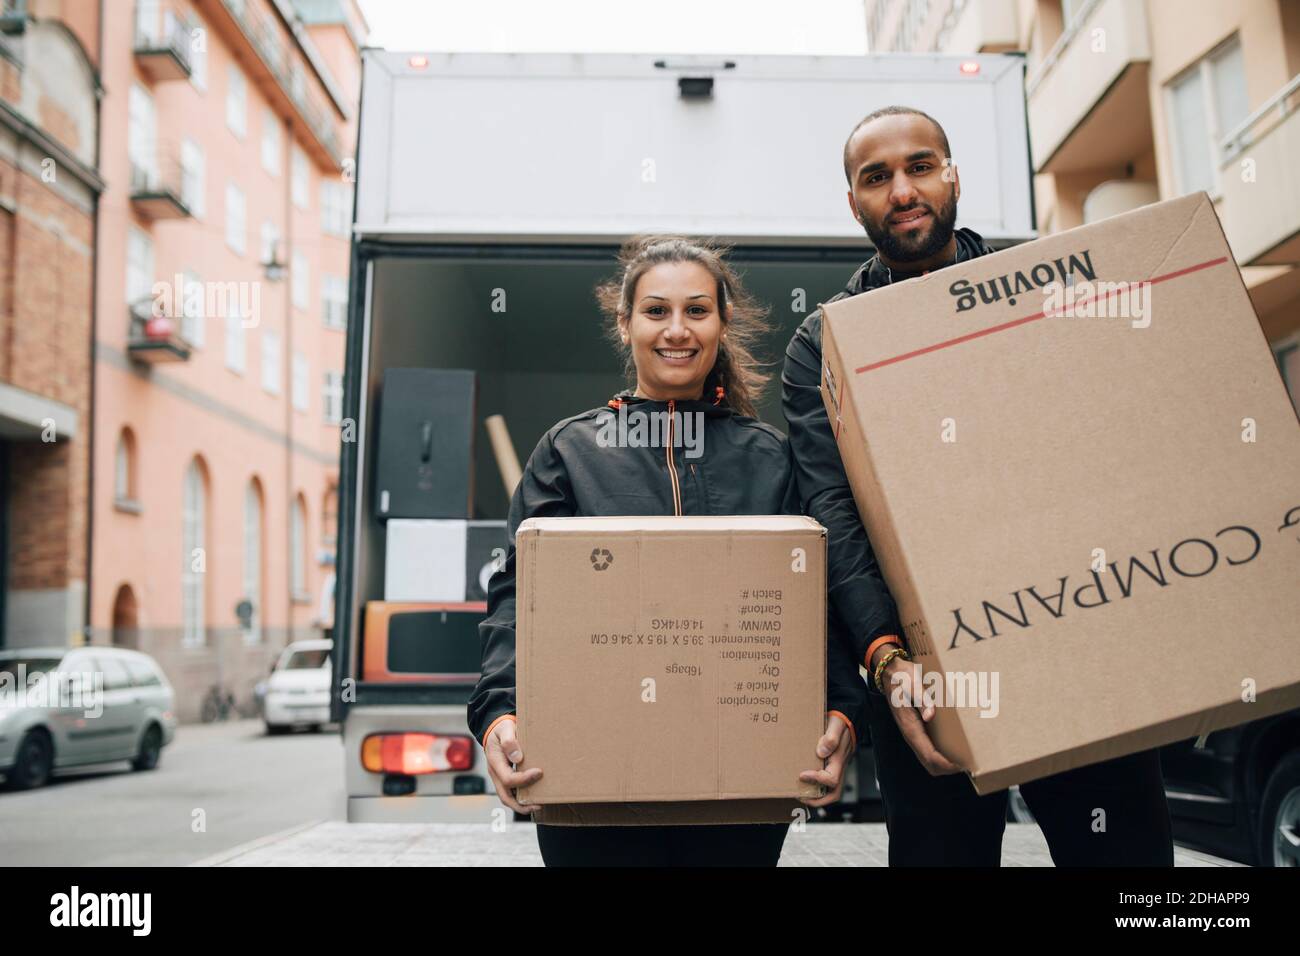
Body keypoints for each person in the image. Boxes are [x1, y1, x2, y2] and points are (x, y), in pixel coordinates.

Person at [781, 106, 1175, 866]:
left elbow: (1118, 456)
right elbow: (834, 509)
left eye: (921, 166)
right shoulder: (824, 343)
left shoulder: (1040, 289)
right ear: (854, 202)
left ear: (953, 174)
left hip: (1082, 642)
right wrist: (888, 661)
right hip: (931, 676)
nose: (902, 190)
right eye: (876, 177)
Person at [468, 235, 867, 867]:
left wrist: (842, 709)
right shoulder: (569, 452)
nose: (676, 330)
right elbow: (518, 599)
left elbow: (817, 601)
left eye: (697, 310)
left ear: (722, 323)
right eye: (655, 311)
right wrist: (498, 714)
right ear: (624, 324)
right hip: (591, 785)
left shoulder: (769, 457)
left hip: (740, 783)